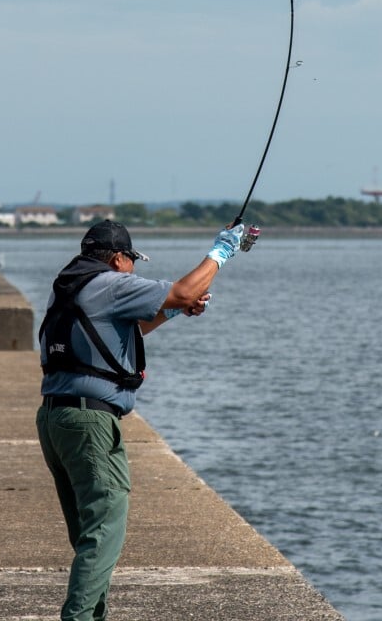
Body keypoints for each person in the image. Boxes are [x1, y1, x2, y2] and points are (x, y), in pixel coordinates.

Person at [35, 219, 244, 621]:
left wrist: (175, 311)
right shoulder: (112, 284)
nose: (132, 269)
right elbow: (184, 290)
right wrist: (221, 252)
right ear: (118, 259)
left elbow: (123, 331)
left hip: (55, 417)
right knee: (104, 531)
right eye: (131, 260)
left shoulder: (70, 286)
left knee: (91, 537)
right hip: (90, 423)